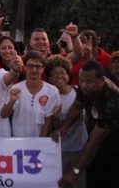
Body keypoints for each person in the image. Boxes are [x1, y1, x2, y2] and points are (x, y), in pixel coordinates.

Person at [55, 61, 119, 188]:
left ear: (101, 81)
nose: (84, 85)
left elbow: (94, 143)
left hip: (114, 149)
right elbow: (78, 107)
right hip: (96, 146)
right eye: (81, 80)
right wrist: (64, 127)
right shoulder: (86, 85)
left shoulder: (113, 101)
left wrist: (74, 173)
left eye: (89, 82)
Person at [44, 56, 87, 188]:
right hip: (58, 151)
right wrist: (56, 117)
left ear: (68, 76)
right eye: (54, 73)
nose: (59, 76)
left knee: (77, 182)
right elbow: (54, 127)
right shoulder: (48, 96)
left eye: (62, 72)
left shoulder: (78, 92)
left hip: (79, 149)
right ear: (49, 78)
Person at [1, 51, 60, 137]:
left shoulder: (52, 91)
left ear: (43, 68)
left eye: (38, 66)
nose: (34, 70)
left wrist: (39, 144)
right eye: (30, 66)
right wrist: (12, 101)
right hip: (18, 142)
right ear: (24, 67)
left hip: (40, 141)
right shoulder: (16, 88)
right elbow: (4, 114)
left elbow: (48, 122)